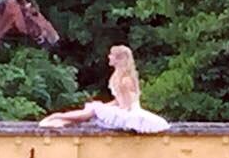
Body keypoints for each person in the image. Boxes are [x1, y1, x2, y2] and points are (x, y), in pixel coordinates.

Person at [39, 45, 169, 133]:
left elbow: (127, 104)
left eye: (112, 55)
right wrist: (105, 106)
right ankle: (61, 120)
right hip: (123, 109)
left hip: (129, 113)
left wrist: (106, 108)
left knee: (91, 112)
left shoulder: (125, 79)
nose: (109, 57)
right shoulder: (117, 76)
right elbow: (118, 101)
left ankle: (58, 117)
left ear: (118, 59)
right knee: (92, 110)